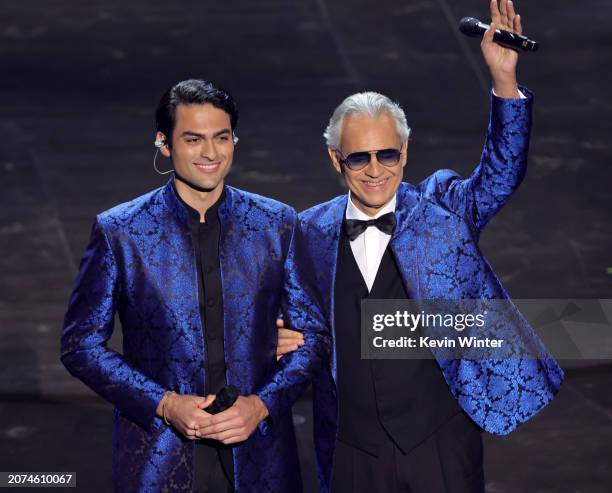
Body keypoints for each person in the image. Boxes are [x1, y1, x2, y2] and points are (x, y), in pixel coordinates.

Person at [278, 1, 563, 491]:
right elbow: (299, 328)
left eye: (387, 153)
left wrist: (503, 81)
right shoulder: (306, 232)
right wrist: (282, 340)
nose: (375, 169)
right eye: (359, 157)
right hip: (350, 448)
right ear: (335, 159)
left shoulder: (444, 211)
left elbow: (500, 175)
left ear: (405, 151)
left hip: (439, 445)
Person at [60, 79, 327, 492]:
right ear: (164, 144)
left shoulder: (277, 224)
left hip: (259, 459)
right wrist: (164, 403)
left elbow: (312, 339)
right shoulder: (122, 232)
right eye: (193, 139)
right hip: (158, 457)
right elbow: (80, 345)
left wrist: (260, 406)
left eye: (222, 138)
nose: (210, 153)